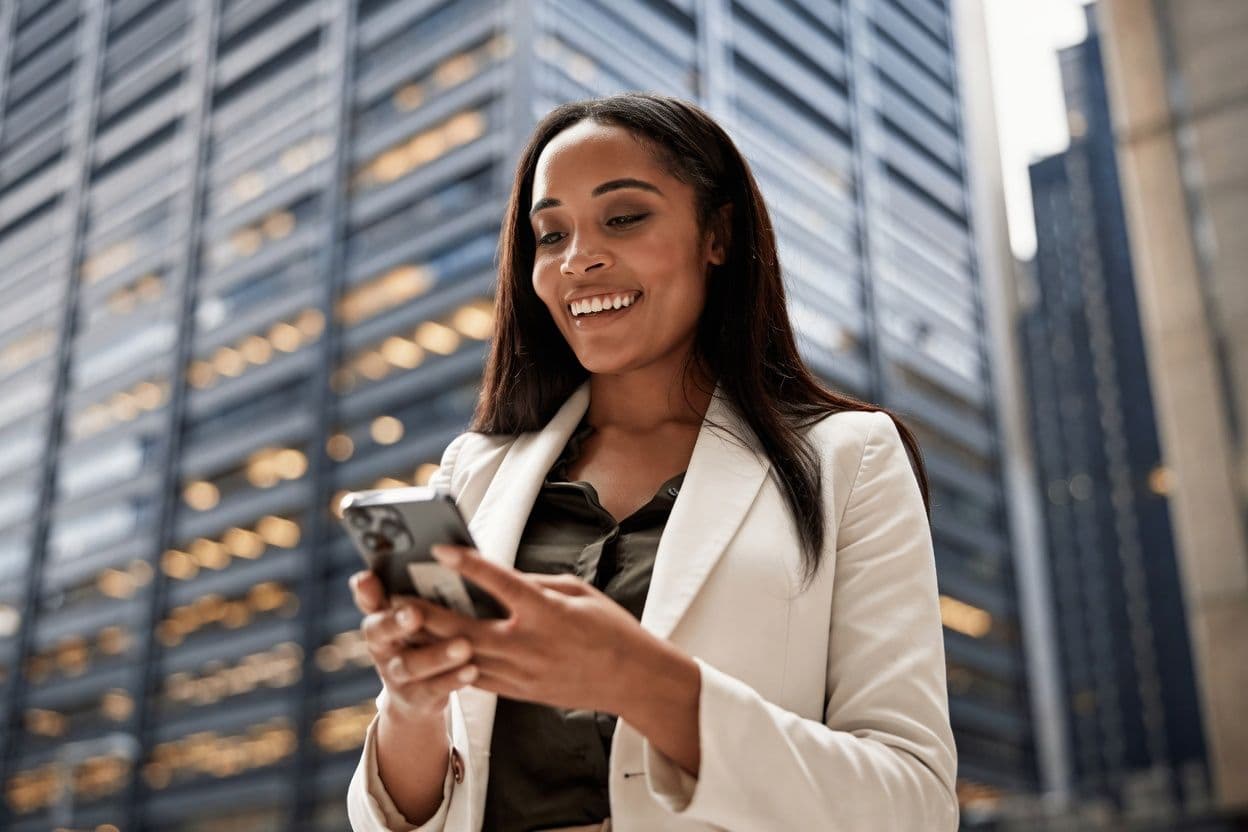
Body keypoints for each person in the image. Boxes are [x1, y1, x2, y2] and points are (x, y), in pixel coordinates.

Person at [346, 92, 958, 831]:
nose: (579, 259)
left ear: (718, 235)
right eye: (550, 234)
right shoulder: (474, 471)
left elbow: (915, 804)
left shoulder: (849, 458)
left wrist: (646, 684)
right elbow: (404, 817)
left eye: (624, 218)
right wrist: (412, 704)